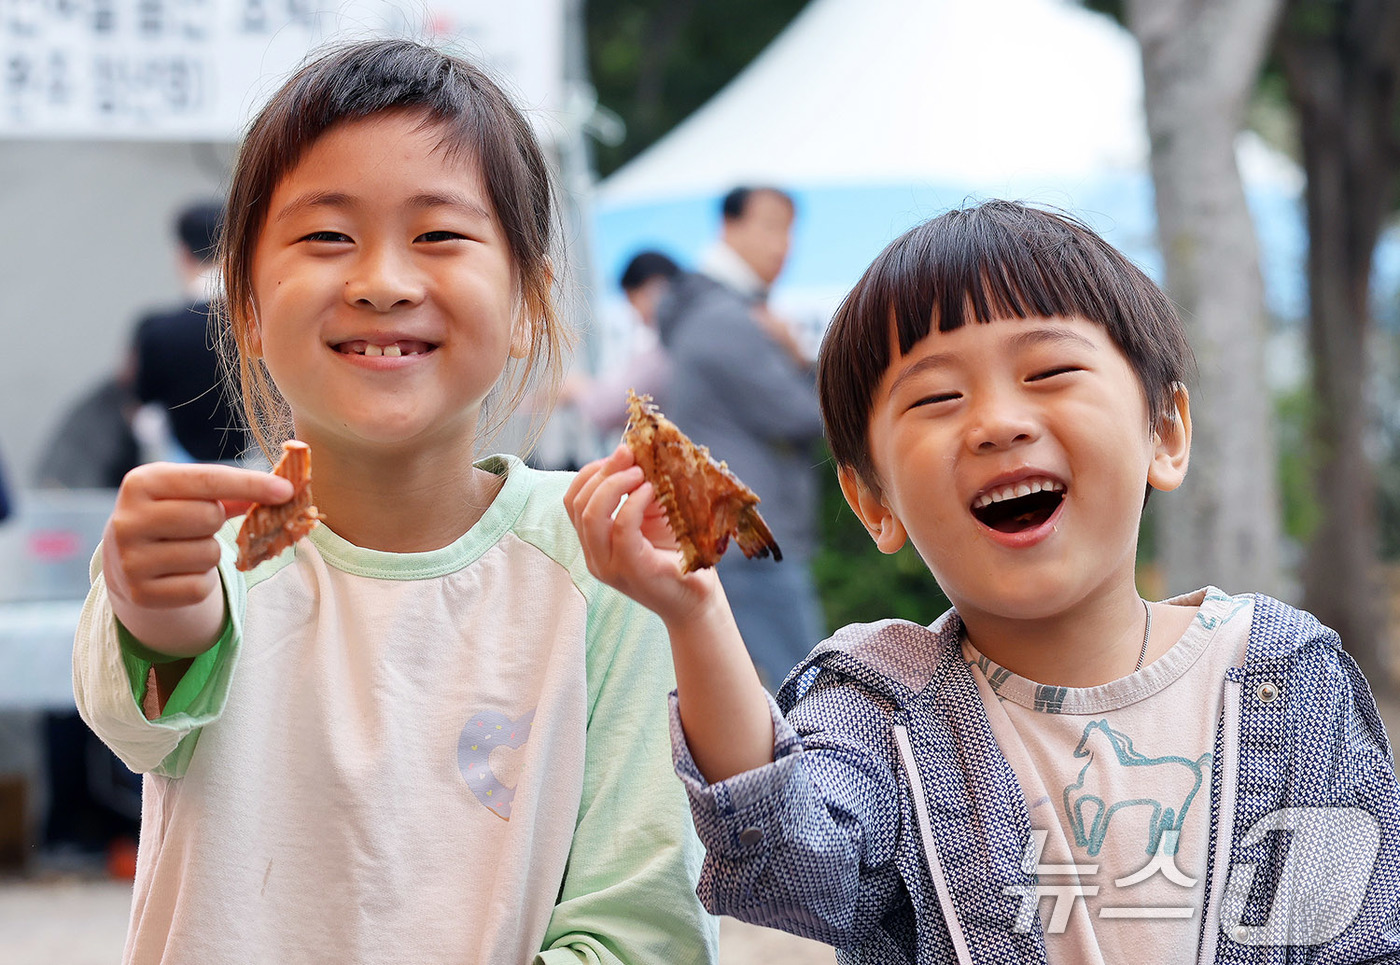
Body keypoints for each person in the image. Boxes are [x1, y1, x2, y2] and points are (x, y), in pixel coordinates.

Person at [566, 201, 1400, 961]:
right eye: (936, 398)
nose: (998, 422)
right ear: (873, 502)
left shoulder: (1281, 675)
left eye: (1049, 373)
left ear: (1166, 432)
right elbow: (785, 856)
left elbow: (1362, 929)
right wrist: (696, 611)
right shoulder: (881, 702)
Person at [72, 39, 716, 965]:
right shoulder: (198, 544)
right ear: (247, 304)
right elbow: (133, 714)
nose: (381, 280)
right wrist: (160, 612)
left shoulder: (605, 560)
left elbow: (643, 925)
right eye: (327, 236)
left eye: (439, 235)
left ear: (530, 299)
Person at [657, 186, 825, 687]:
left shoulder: (706, 309)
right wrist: (802, 361)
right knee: (806, 697)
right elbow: (804, 414)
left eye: (791, 231)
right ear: (728, 228)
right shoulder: (727, 318)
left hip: (731, 533)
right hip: (750, 538)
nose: (785, 245)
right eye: (771, 226)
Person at [129, 199, 252, 463]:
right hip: (264, 473)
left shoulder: (156, 331)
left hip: (187, 477)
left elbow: (143, 415)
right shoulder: (260, 324)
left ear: (183, 254)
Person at [560, 250, 679, 434]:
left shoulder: (668, 347)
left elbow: (611, 407)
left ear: (653, 290)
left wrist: (577, 389)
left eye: (632, 301)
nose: (637, 315)